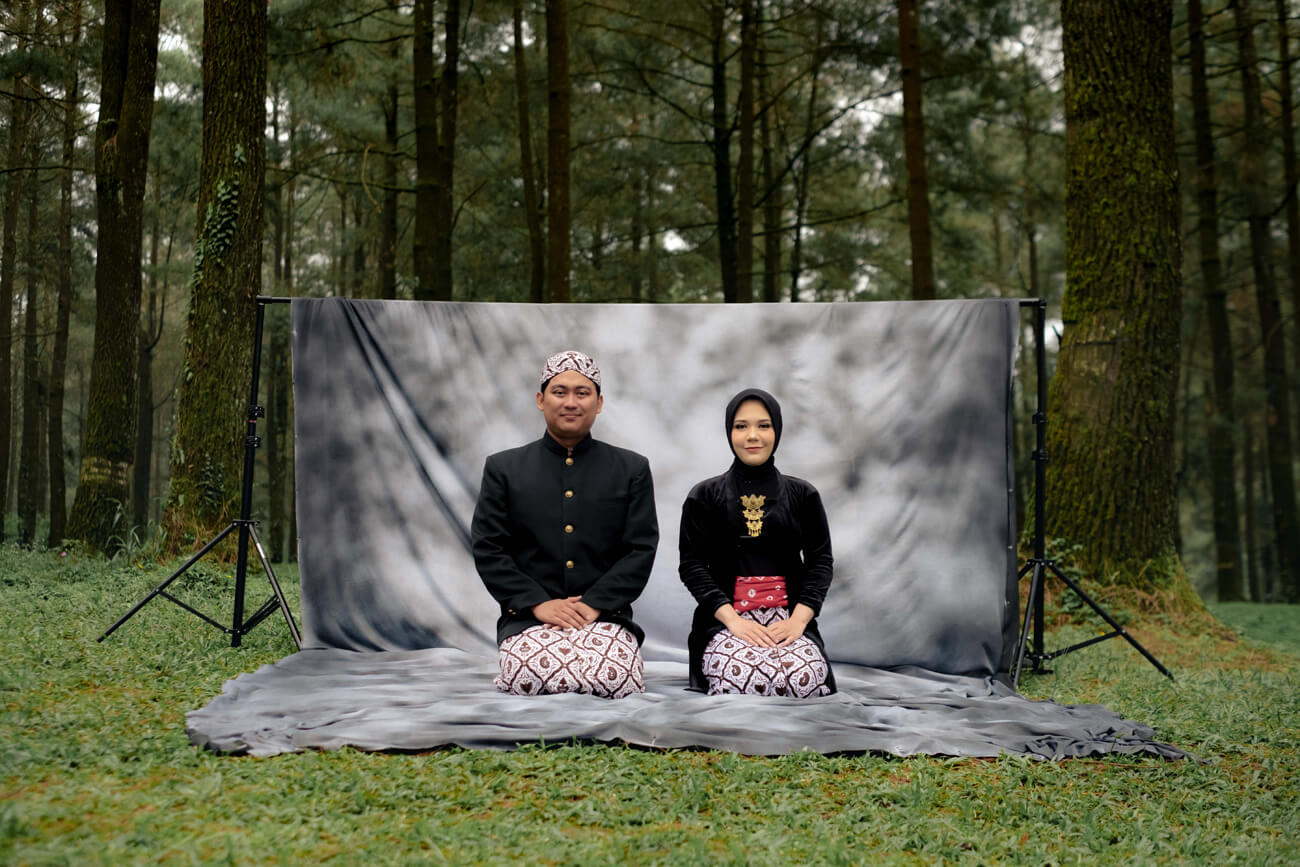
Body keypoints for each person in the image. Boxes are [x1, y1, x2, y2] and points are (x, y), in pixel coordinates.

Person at [471, 350, 658, 698]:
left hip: (604, 615)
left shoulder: (631, 469)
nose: (571, 402)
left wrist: (593, 604)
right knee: (532, 674)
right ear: (541, 400)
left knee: (614, 678)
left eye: (582, 393)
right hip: (528, 617)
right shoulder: (504, 469)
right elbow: (489, 548)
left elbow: (640, 550)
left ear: (598, 403)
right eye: (560, 392)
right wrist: (537, 604)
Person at [678, 387, 835, 696]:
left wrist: (797, 622)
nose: (753, 436)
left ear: (777, 430)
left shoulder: (803, 495)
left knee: (804, 679)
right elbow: (692, 566)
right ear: (729, 432)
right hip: (726, 623)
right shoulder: (704, 496)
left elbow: (821, 563)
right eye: (741, 426)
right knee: (742, 680)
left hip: (788, 622)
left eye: (764, 425)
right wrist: (734, 622)